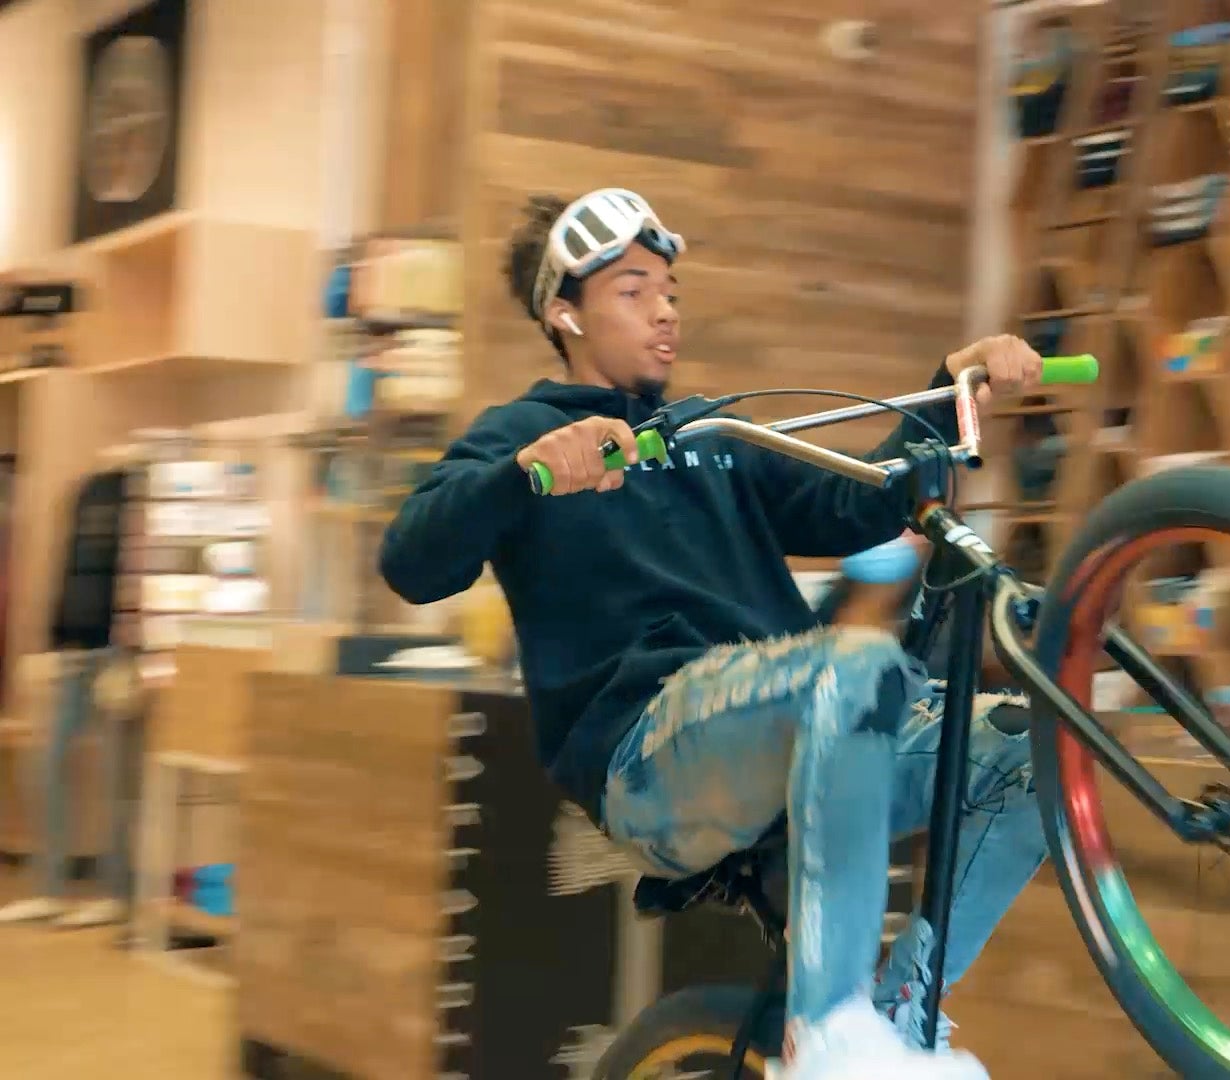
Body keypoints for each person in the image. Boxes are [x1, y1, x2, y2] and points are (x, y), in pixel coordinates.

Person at [379, 189, 1048, 1080]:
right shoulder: (519, 437)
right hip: (651, 753)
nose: (664, 310)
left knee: (1039, 751)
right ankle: (830, 1033)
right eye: (632, 290)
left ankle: (898, 1015)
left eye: (670, 290)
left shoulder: (708, 436)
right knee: (848, 669)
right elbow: (412, 563)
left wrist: (948, 387)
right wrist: (524, 475)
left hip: (798, 716)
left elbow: (865, 499)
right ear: (562, 312)